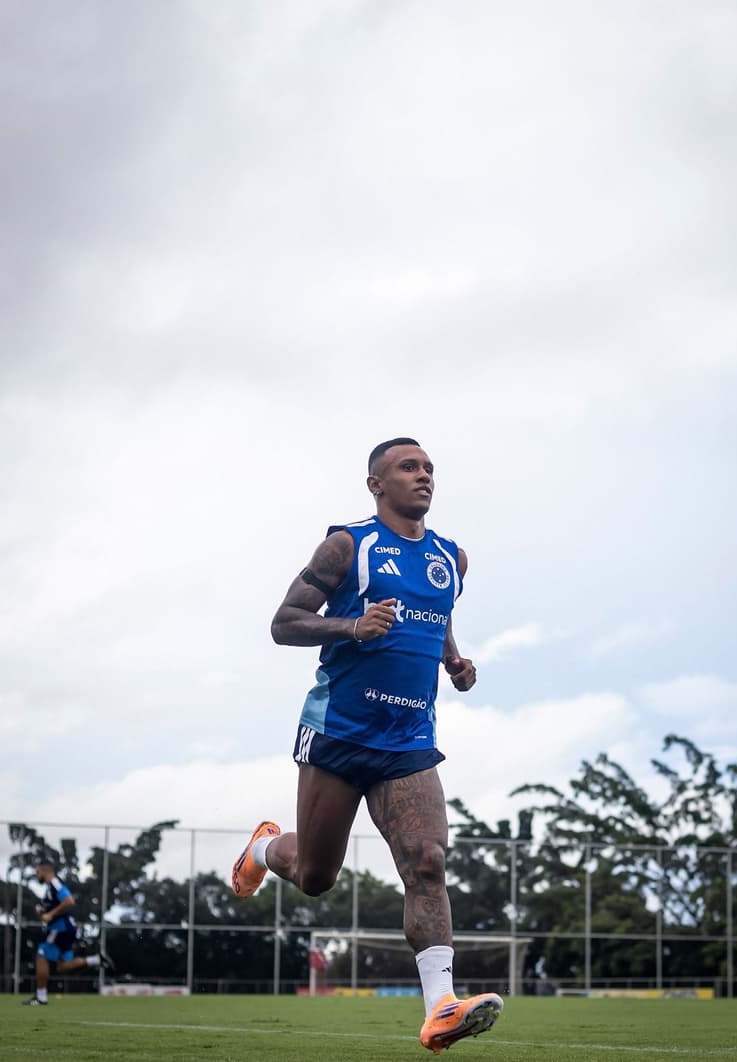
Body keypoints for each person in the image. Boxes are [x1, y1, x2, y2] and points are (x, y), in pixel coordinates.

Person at [232, 437, 502, 1053]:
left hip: (408, 740)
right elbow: (283, 623)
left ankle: (441, 1008)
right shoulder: (347, 546)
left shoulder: (451, 558)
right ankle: (267, 848)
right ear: (376, 483)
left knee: (428, 860)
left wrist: (454, 659)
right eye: (409, 467)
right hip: (339, 731)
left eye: (429, 468)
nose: (424, 476)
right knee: (316, 876)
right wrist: (352, 625)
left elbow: (436, 612)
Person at [22, 859, 114, 1005]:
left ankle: (41, 997)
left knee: (41, 955)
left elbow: (69, 901)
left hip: (60, 928)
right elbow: (53, 910)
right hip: (66, 928)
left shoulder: (55, 883)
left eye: (37, 871)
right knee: (64, 966)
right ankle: (96, 960)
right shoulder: (49, 888)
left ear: (45, 870)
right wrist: (43, 912)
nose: (36, 874)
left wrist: (51, 914)